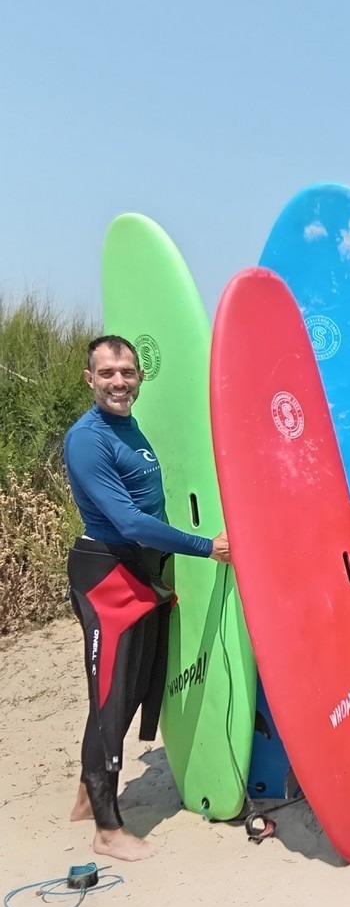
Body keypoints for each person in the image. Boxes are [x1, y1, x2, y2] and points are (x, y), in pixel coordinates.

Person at [62, 335, 230, 862]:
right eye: (108, 373)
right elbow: (131, 521)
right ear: (89, 378)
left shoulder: (127, 427)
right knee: (111, 697)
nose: (119, 381)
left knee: (133, 690)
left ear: (139, 377)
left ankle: (89, 795)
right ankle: (108, 829)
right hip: (107, 573)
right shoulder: (88, 438)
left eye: (127, 372)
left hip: (141, 571)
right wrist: (207, 548)